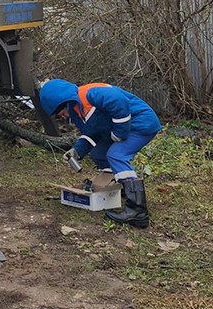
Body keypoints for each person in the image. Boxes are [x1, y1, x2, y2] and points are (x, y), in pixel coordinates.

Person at [39, 79, 162, 228]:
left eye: (60, 112)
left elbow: (119, 101)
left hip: (141, 123)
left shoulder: (90, 94)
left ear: (64, 102)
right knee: (99, 154)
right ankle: (120, 189)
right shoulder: (76, 112)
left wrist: (119, 132)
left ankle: (138, 212)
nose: (63, 116)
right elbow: (92, 134)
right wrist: (77, 150)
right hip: (124, 129)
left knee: (116, 155)